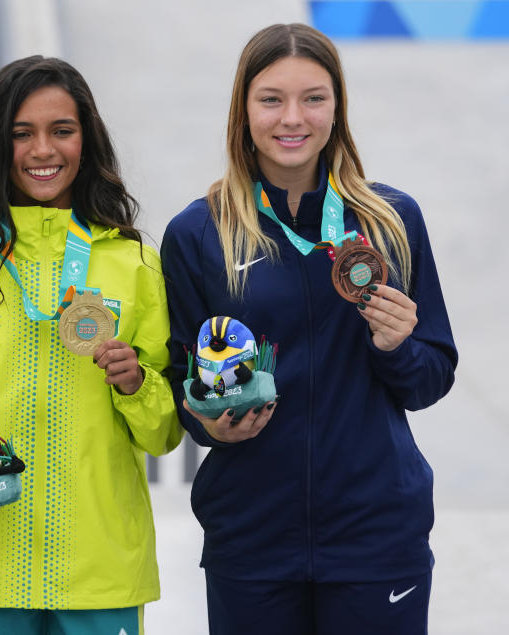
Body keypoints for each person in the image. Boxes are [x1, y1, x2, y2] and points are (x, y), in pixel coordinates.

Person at [161, 23, 457, 635]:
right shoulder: (198, 233)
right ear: (243, 109)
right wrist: (207, 420)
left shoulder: (392, 221)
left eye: (313, 98)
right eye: (271, 98)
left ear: (337, 108)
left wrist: (397, 347)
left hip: (377, 535)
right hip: (252, 536)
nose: (292, 118)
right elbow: (180, 379)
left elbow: (430, 379)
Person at [0, 56, 182, 634]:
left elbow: (163, 432)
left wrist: (135, 384)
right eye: (21, 134)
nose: (42, 150)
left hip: (101, 571)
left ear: (88, 140)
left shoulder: (134, 265)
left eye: (62, 131)